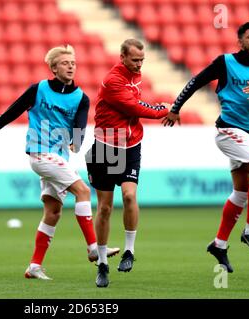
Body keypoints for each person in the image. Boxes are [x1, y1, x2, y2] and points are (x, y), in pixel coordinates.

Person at [0, 45, 120, 280]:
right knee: (82, 191)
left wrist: (77, 142)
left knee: (53, 212)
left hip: (59, 157)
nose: (71, 66)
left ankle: (34, 266)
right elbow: (11, 113)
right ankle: (93, 248)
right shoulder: (38, 89)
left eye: (73, 62)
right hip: (40, 154)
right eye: (65, 63)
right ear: (53, 68)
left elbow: (80, 125)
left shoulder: (81, 97)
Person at [162, 21, 249, 273]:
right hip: (228, 130)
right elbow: (196, 81)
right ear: (240, 41)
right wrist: (175, 108)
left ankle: (219, 244)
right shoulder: (225, 62)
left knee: (241, 193)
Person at [85, 39, 170, 288]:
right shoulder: (113, 81)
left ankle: (129, 251)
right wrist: (162, 110)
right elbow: (133, 106)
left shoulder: (136, 75)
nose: (139, 64)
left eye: (142, 60)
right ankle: (102, 264)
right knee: (105, 208)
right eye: (135, 60)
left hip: (131, 144)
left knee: (130, 196)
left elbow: (134, 107)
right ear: (122, 57)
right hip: (106, 146)